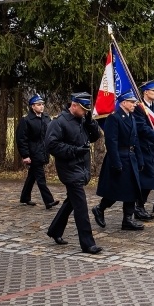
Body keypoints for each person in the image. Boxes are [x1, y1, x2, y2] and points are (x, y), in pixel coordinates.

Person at [45, 92, 103, 254]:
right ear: (74, 105)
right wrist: (74, 151)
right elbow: (51, 145)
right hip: (69, 169)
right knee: (81, 206)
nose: (85, 112)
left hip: (82, 168)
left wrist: (90, 121)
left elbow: (95, 136)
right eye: (83, 109)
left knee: (72, 201)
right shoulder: (59, 122)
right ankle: (87, 243)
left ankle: (55, 230)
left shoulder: (83, 119)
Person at [92, 90, 146, 231]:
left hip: (131, 157)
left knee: (132, 189)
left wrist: (140, 159)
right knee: (116, 190)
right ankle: (100, 208)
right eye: (132, 102)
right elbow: (111, 142)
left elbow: (135, 141)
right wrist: (116, 162)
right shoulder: (114, 118)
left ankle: (127, 220)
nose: (134, 104)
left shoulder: (132, 117)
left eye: (134, 102)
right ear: (123, 103)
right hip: (119, 157)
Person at [16, 94, 60, 209]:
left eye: (42, 104)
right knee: (41, 178)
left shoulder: (46, 118)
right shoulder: (26, 120)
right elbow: (21, 139)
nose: (41, 106)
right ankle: (49, 201)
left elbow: (50, 132)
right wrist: (25, 155)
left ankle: (25, 197)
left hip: (43, 151)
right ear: (32, 106)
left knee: (32, 176)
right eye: (38, 104)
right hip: (33, 153)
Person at [132, 80, 154, 220]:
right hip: (142, 146)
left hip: (153, 147)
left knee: (152, 177)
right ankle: (139, 207)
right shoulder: (139, 107)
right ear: (146, 92)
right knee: (147, 178)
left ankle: (140, 206)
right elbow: (141, 127)